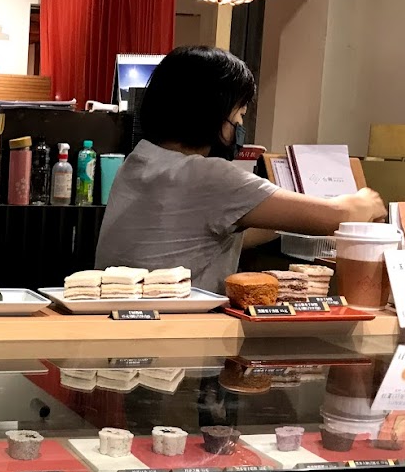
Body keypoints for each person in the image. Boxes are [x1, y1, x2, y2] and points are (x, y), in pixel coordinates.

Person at [95, 46, 386, 293]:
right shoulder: (209, 176)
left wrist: (283, 217)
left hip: (122, 324)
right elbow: (340, 215)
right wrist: (367, 199)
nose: (240, 125)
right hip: (178, 330)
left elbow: (206, 234)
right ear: (213, 113)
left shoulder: (139, 161)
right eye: (240, 114)